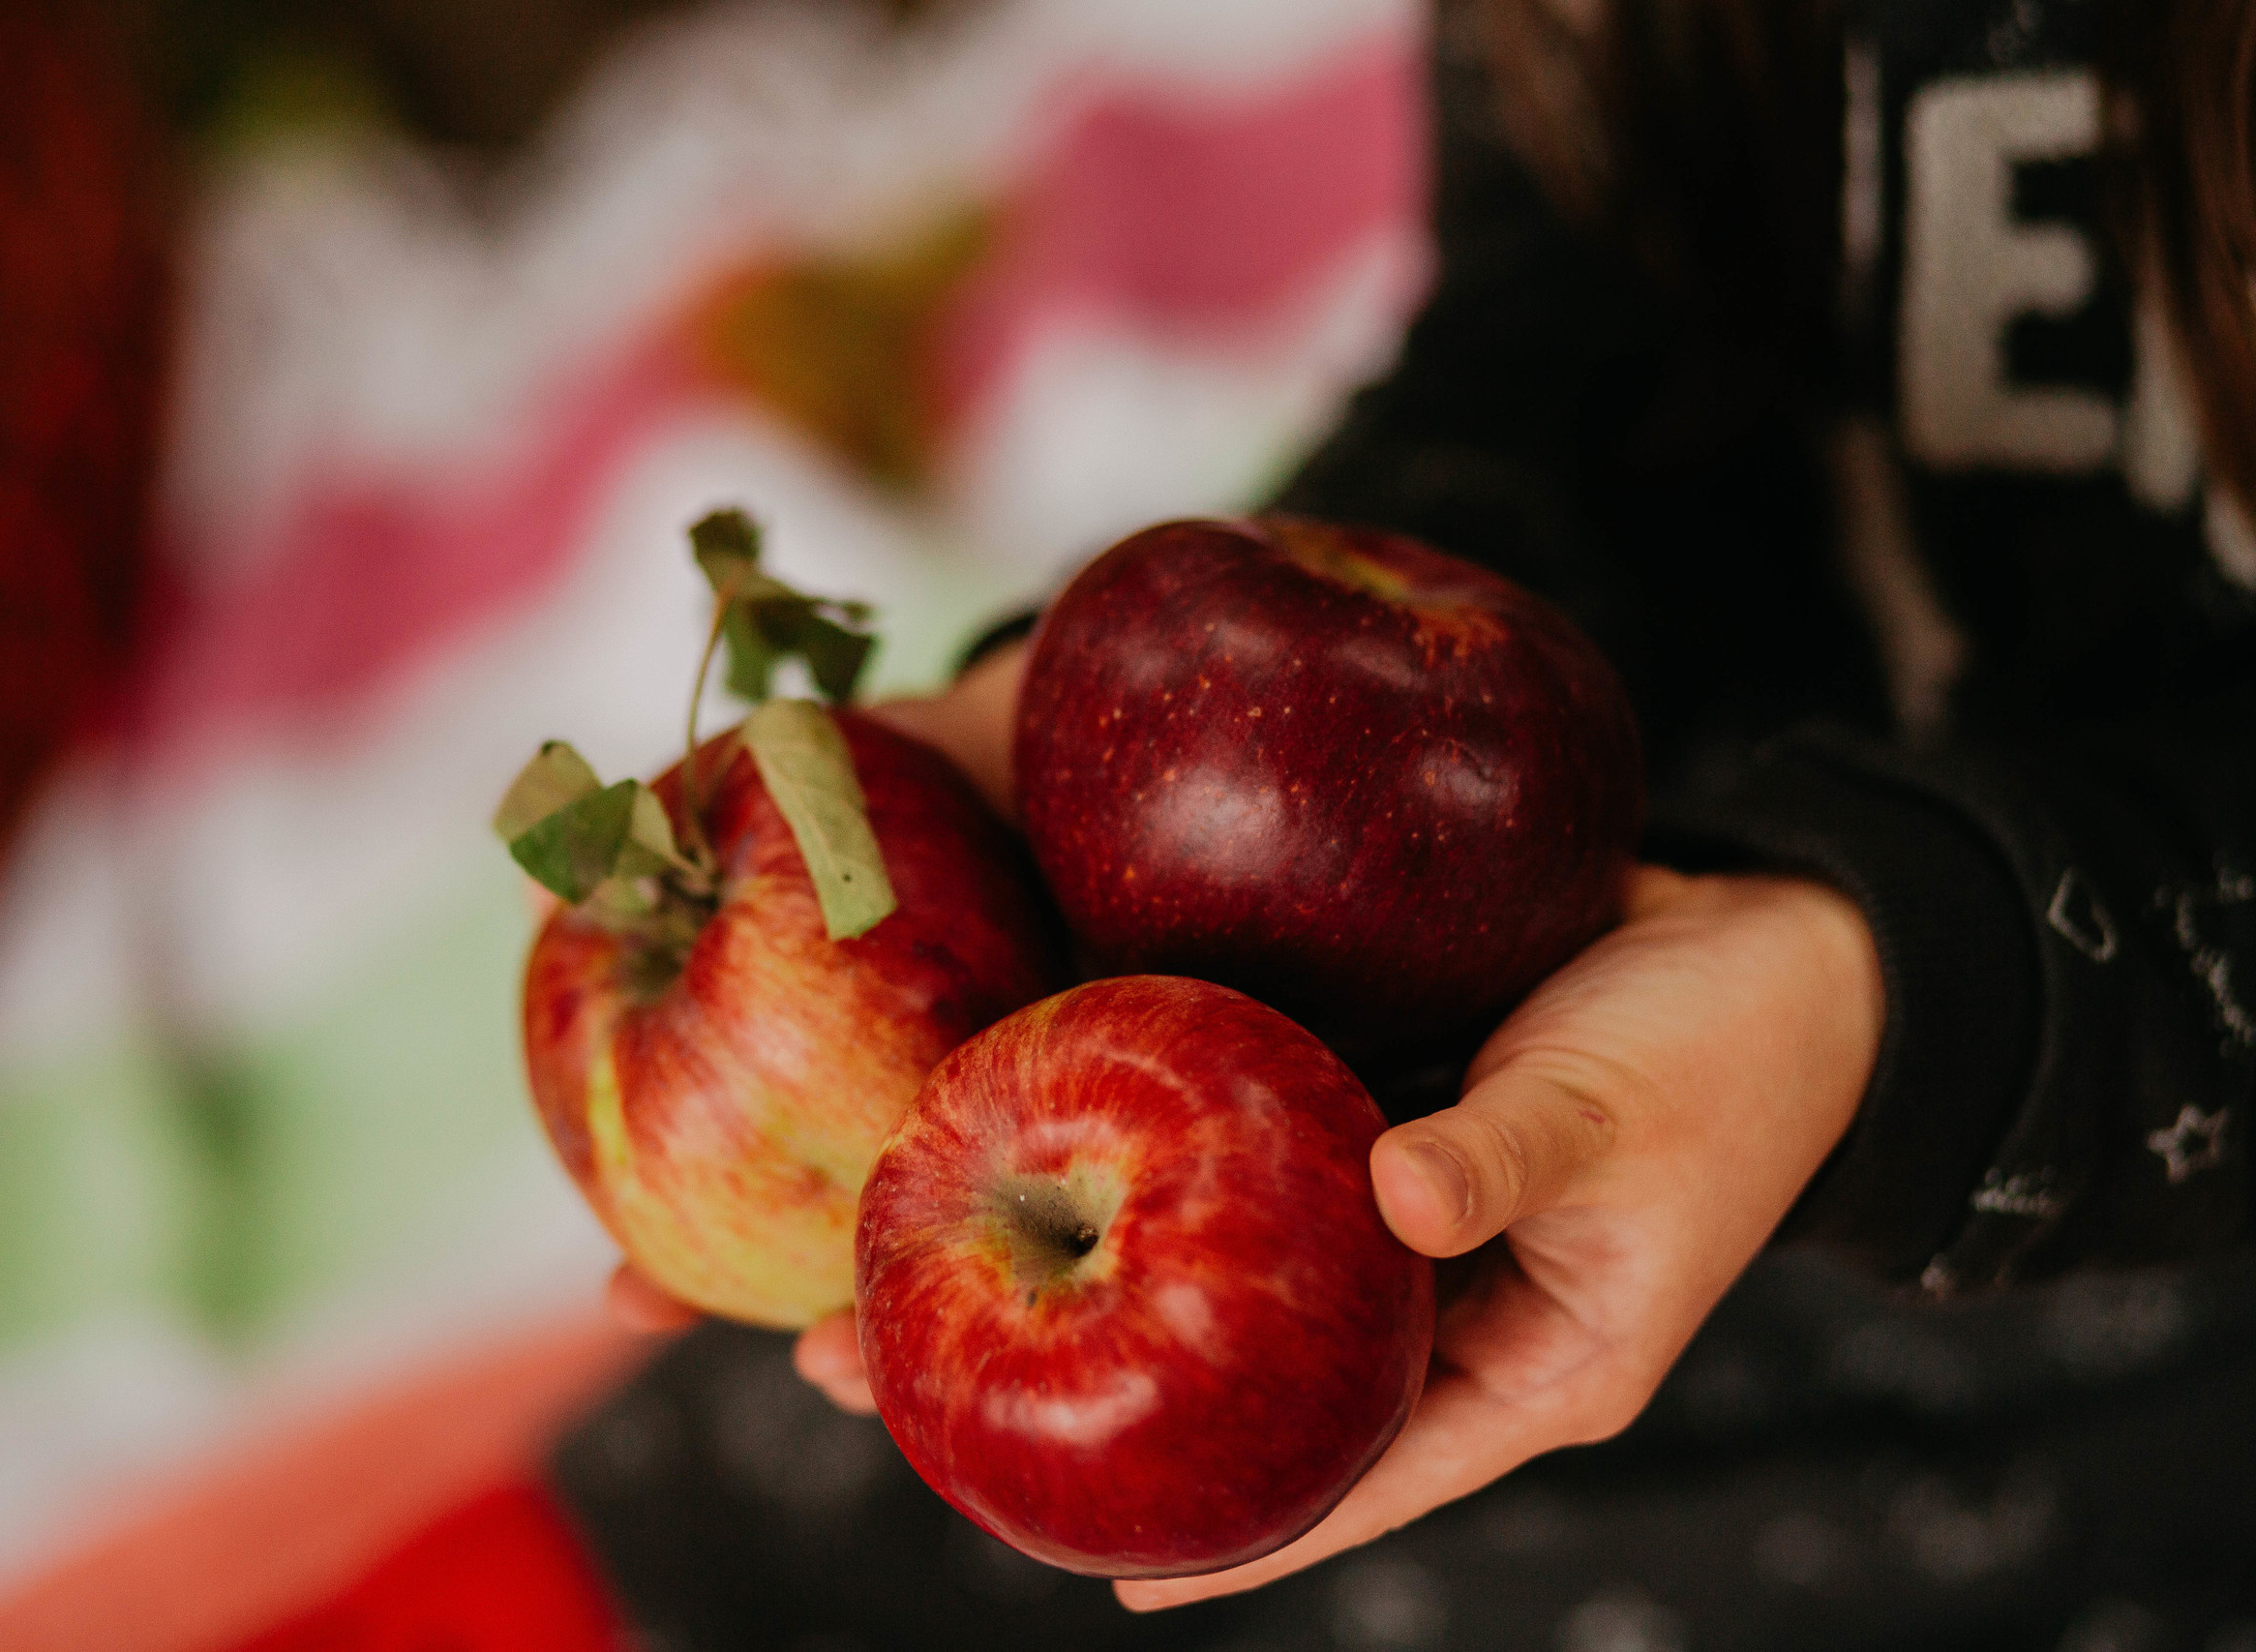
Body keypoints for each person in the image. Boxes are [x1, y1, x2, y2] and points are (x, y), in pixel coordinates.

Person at [573, 0, 2256, 1642]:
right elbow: (1568, 329)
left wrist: (1879, 986)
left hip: (2140, 1197)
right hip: (1538, 1020)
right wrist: (1183, 718)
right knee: (737, 1489)